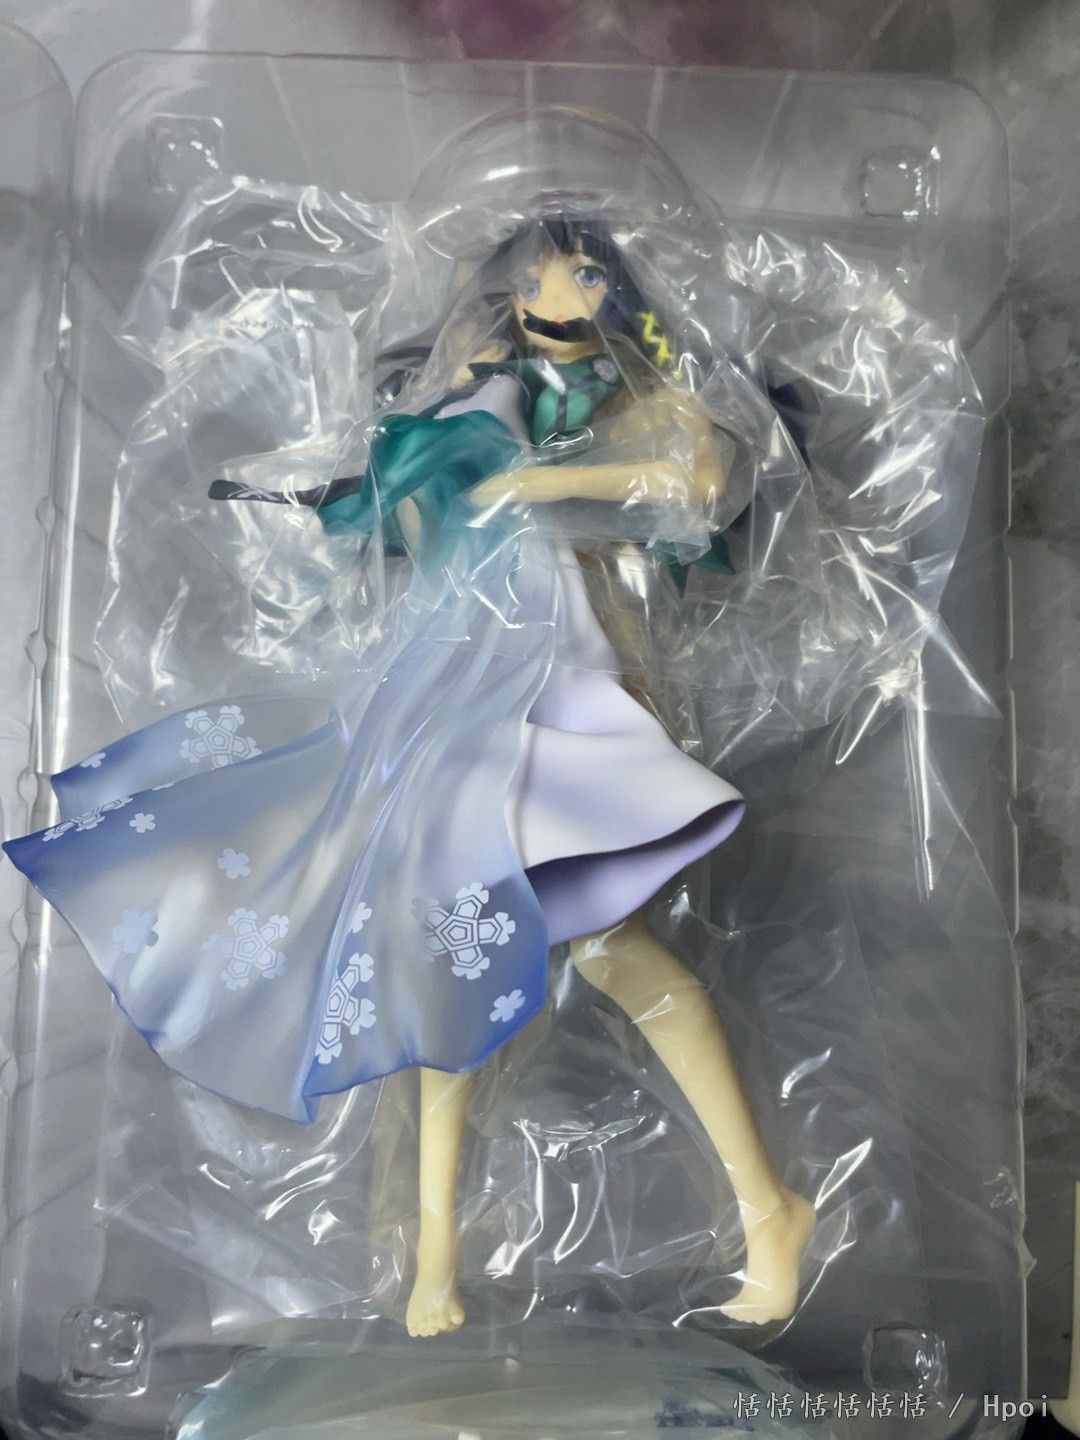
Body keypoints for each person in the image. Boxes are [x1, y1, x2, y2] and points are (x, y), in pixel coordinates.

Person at [5, 214, 814, 1338]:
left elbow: (702, 476)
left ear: (616, 291)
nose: (556, 293)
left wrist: (539, 486)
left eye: (582, 273)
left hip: (571, 684)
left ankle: (766, 1209)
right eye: (537, 274)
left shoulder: (636, 401)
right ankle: (437, 1254)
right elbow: (401, 508)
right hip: (456, 687)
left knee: (606, 949)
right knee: (445, 956)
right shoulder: (471, 399)